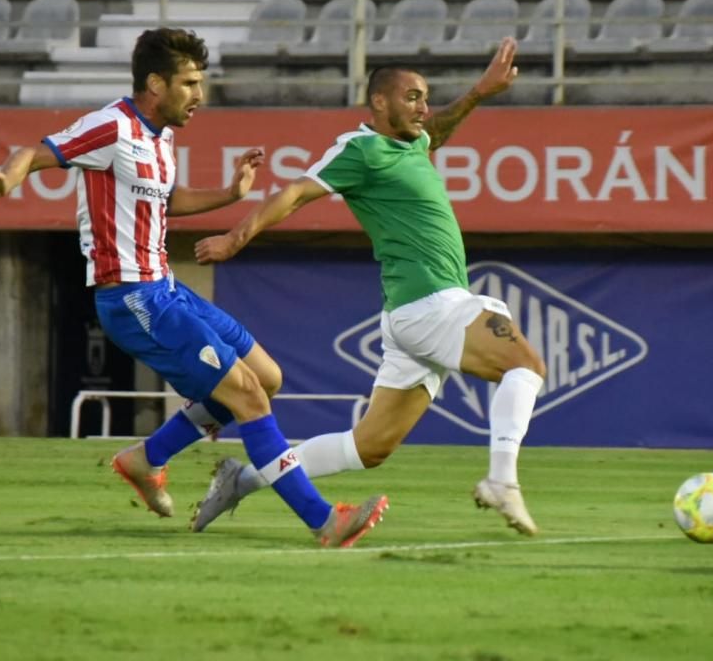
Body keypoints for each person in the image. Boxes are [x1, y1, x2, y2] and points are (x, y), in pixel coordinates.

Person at [0, 27, 388, 548]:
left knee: (266, 377)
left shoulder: (161, 137)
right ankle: (325, 521)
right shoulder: (111, 127)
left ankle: (145, 458)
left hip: (166, 287)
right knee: (249, 397)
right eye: (189, 83)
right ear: (155, 83)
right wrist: (7, 180)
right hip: (132, 298)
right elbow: (37, 152)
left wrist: (230, 194)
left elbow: (167, 200)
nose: (199, 96)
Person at [191, 37, 548, 536]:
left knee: (368, 447)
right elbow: (294, 193)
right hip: (430, 305)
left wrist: (479, 94)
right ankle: (502, 481)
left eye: (425, 98)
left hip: (414, 314)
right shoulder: (361, 149)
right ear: (379, 101)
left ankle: (242, 480)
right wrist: (235, 237)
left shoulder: (412, 143)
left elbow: (436, 130)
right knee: (526, 366)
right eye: (412, 97)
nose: (423, 107)